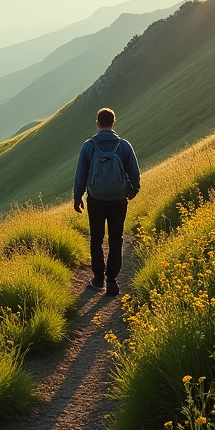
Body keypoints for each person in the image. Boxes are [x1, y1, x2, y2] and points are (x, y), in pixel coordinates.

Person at [73, 107, 140, 296]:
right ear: (113, 123)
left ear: (97, 123)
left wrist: (77, 197)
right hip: (119, 200)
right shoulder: (124, 146)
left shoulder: (89, 146)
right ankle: (112, 279)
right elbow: (134, 172)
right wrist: (133, 190)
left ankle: (98, 279)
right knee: (116, 239)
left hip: (96, 199)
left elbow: (81, 175)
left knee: (96, 239)